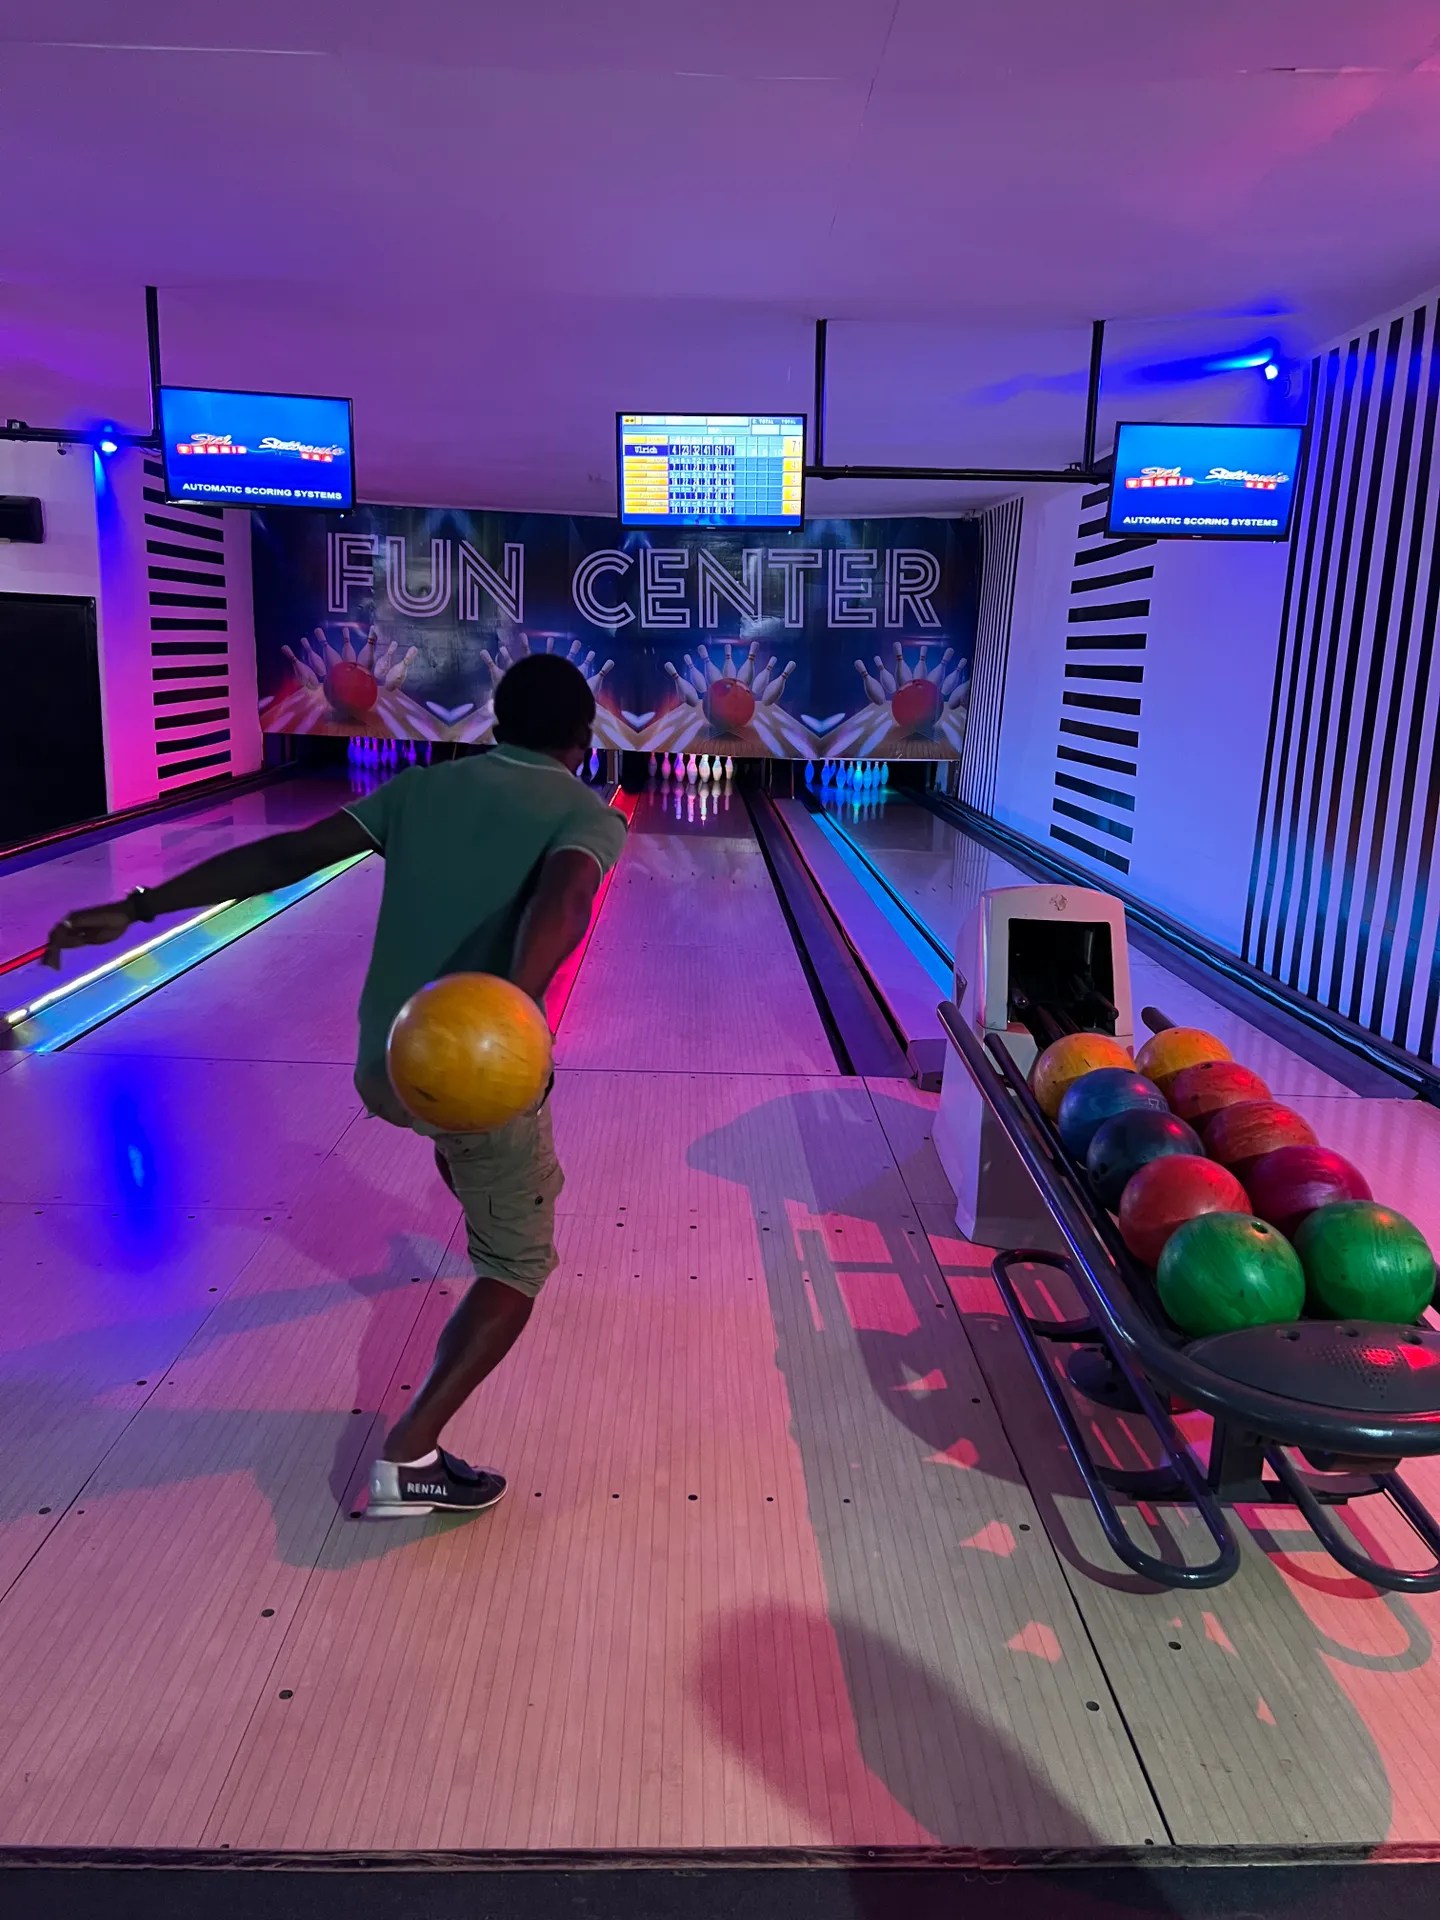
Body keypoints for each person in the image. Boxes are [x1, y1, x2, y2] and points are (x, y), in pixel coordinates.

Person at [45, 653, 627, 1519]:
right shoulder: (584, 811)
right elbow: (568, 894)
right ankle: (409, 1458)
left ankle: (464, 1168)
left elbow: (288, 853)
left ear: (494, 727)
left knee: (466, 1156)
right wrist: (511, 1004)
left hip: (387, 1069)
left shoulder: (419, 790)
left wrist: (139, 906)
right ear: (585, 738)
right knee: (517, 1264)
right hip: (478, 1083)